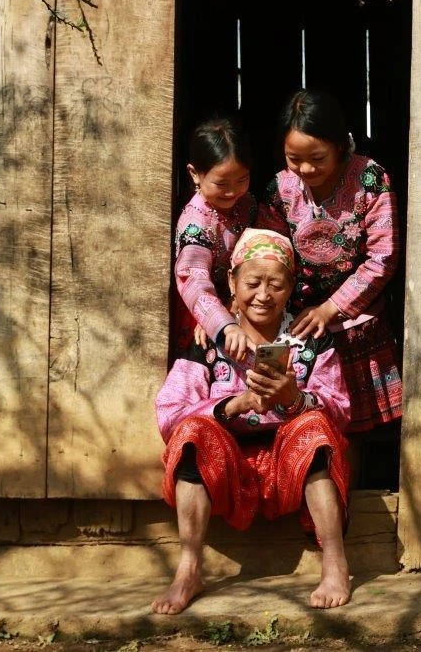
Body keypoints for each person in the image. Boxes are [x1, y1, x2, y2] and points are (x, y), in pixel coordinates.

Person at [153, 228, 353, 614]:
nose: (263, 295)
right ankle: (189, 569)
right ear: (231, 280)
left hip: (289, 466)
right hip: (224, 469)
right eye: (253, 283)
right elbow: (171, 412)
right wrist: (236, 404)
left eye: (276, 285)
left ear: (291, 286)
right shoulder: (209, 339)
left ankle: (335, 563)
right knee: (193, 430)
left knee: (314, 428)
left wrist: (295, 399)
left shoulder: (310, 339)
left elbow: (341, 410)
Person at [261, 90, 403, 434]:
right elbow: (270, 253)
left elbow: (383, 257)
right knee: (309, 428)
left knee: (357, 433)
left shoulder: (370, 180)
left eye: (317, 157)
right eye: (294, 158)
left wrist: (330, 309)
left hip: (359, 323)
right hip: (300, 329)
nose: (305, 169)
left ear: (340, 144)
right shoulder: (280, 189)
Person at [173, 116, 260, 359]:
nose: (232, 191)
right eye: (221, 183)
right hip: (205, 316)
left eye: (242, 180)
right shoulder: (196, 222)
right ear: (194, 174)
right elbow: (193, 278)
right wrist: (221, 322)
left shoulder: (248, 205)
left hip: (243, 306)